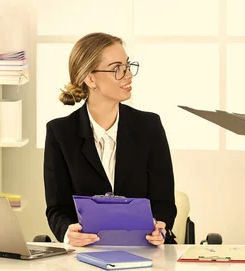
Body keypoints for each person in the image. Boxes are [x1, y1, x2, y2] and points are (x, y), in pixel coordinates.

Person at [43, 32, 177, 247]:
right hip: (86, 251)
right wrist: (68, 234)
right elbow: (57, 208)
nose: (128, 75)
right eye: (117, 68)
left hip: (146, 249)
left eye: (127, 66)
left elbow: (164, 201)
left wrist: (160, 226)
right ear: (90, 78)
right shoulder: (60, 132)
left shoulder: (149, 126)